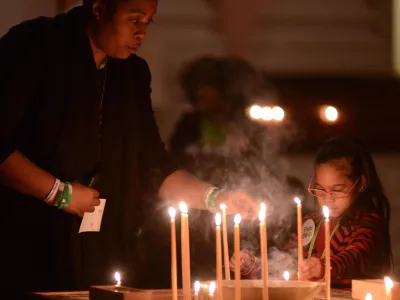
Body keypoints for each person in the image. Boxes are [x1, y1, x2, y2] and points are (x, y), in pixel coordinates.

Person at [0, 0, 259, 293]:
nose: (142, 33)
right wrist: (59, 193)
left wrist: (216, 199)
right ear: (99, 9)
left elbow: (154, 164)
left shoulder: (131, 74)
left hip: (102, 247)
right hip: (28, 243)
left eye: (148, 22)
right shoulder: (35, 47)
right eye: (134, 20)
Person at [284, 136, 392, 289]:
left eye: (337, 190)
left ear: (361, 184)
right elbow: (286, 258)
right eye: (321, 189)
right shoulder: (311, 222)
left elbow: (355, 257)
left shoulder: (368, 222)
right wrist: (253, 264)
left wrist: (323, 267)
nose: (328, 198)